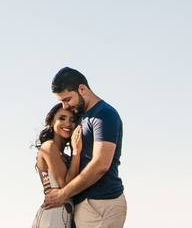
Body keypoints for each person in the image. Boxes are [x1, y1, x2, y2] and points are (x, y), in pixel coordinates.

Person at [43, 67, 126, 228]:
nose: (65, 106)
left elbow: (101, 164)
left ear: (82, 88)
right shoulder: (82, 117)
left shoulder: (104, 114)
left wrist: (63, 194)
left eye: (67, 99)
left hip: (101, 203)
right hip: (85, 204)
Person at [32, 103, 82, 228]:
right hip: (53, 216)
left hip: (65, 216)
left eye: (73, 120)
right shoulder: (49, 147)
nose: (68, 124)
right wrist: (76, 152)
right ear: (52, 121)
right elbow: (66, 186)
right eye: (62, 118)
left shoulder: (64, 156)